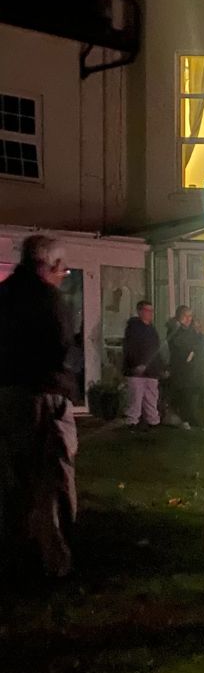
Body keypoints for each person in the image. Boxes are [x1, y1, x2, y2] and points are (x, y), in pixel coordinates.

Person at [0, 234, 79, 579]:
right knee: (51, 475)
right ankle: (53, 559)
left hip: (7, 393)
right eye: (63, 270)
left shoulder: (4, 294)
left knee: (14, 477)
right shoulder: (49, 300)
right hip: (44, 395)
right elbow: (61, 348)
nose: (63, 276)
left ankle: (15, 552)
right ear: (52, 265)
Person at [123, 299, 163, 429]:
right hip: (137, 370)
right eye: (147, 310)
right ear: (140, 311)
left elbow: (156, 349)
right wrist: (137, 364)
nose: (150, 313)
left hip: (151, 370)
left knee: (151, 397)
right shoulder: (133, 329)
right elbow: (130, 348)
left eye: (151, 311)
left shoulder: (152, 330)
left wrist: (159, 367)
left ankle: (152, 420)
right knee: (136, 397)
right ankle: (133, 421)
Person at [166, 305, 204, 429]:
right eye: (186, 316)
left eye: (190, 316)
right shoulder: (175, 330)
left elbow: (200, 344)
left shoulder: (192, 331)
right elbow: (180, 346)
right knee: (184, 394)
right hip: (181, 369)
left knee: (191, 394)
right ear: (179, 316)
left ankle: (192, 418)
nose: (189, 319)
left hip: (193, 370)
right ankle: (184, 418)